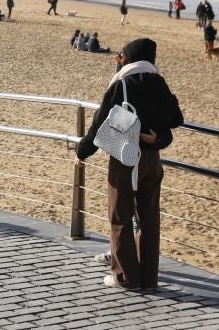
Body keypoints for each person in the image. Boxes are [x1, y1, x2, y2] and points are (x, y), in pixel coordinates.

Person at [77, 38, 183, 290]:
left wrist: (82, 152)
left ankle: (126, 278)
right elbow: (175, 119)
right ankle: (148, 278)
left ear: (129, 58)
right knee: (149, 219)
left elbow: (100, 124)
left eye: (122, 55)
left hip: (124, 160)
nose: (119, 59)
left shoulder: (123, 83)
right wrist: (160, 139)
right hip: (151, 161)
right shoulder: (159, 82)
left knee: (120, 216)